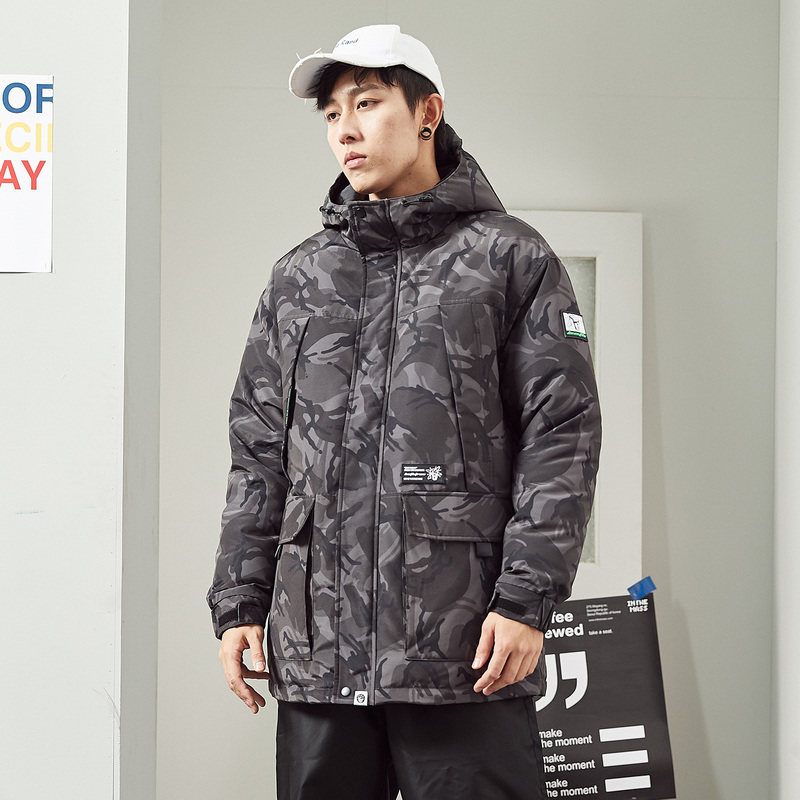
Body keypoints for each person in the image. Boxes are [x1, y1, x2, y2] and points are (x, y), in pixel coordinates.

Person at [207, 23, 601, 800]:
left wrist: (526, 602)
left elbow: (561, 435)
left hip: (462, 651)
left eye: (367, 103)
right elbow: (258, 451)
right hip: (320, 652)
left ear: (428, 113)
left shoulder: (509, 259)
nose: (345, 130)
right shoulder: (299, 279)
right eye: (332, 114)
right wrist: (239, 601)